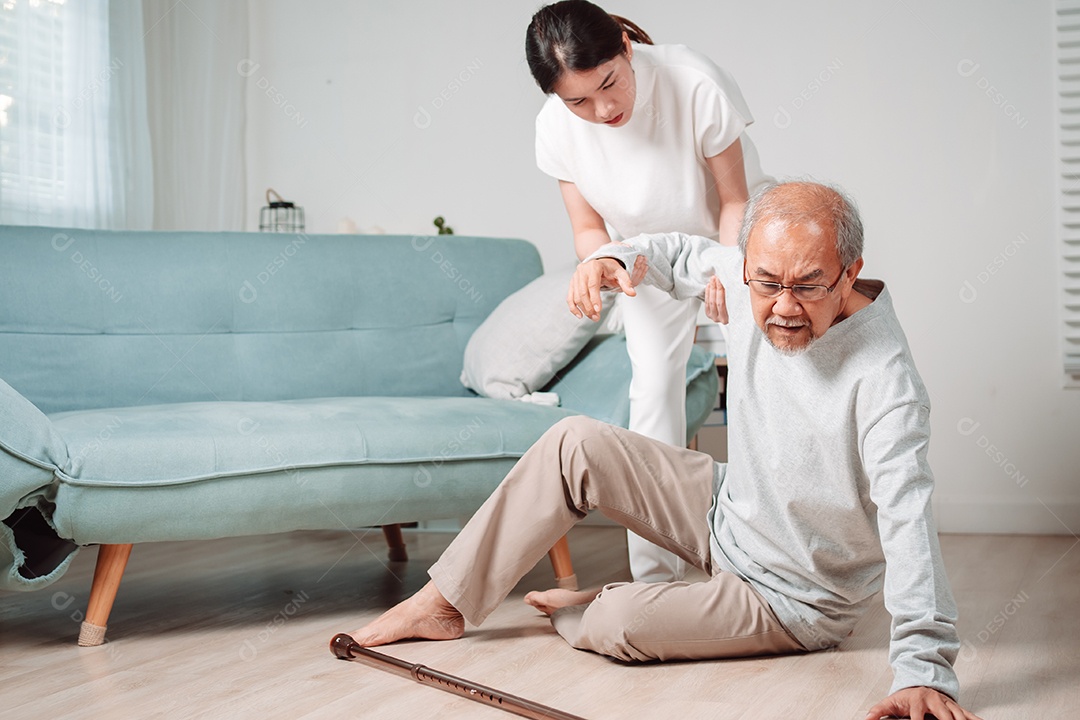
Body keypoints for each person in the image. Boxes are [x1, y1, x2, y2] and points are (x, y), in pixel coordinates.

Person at [352, 182, 980, 720]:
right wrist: (612, 256)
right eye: (765, 283)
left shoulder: (887, 382)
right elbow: (677, 251)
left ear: (849, 271)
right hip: (726, 508)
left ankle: (588, 608)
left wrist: (922, 668)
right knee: (574, 442)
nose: (783, 308)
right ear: (748, 266)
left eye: (809, 287)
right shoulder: (747, 278)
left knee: (618, 624)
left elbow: (909, 521)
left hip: (794, 596)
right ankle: (444, 603)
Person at [527, 0, 771, 582]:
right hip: (647, 258)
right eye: (578, 100)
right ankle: (655, 577)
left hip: (736, 242)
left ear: (625, 48)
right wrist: (601, 263)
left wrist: (727, 268)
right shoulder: (555, 126)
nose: (602, 108)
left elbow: (734, 199)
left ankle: (762, 558)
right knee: (653, 396)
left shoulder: (693, 81)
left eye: (609, 83)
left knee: (755, 392)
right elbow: (589, 228)